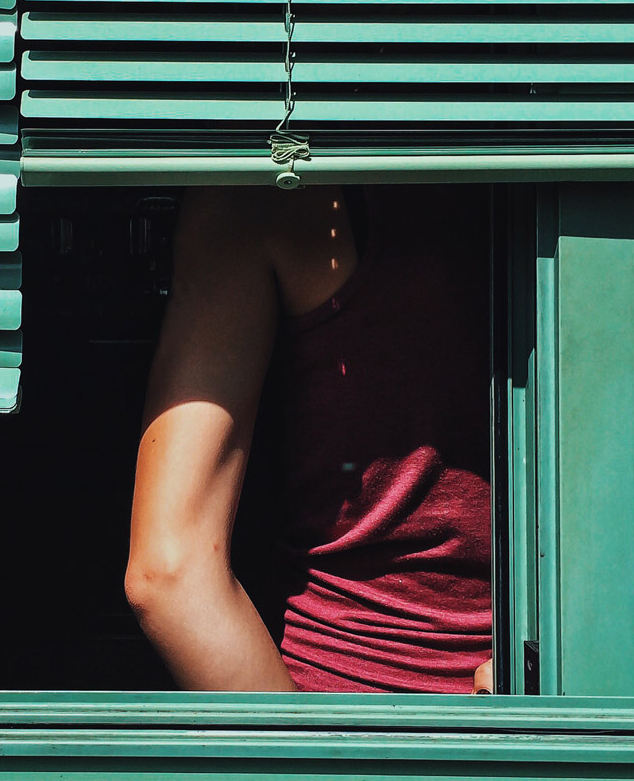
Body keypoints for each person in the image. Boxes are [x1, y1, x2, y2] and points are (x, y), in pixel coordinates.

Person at [125, 183, 495, 693]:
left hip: (335, 718)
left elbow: (172, 570)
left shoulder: (276, 184)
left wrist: (317, 762)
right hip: (601, 712)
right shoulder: (623, 190)